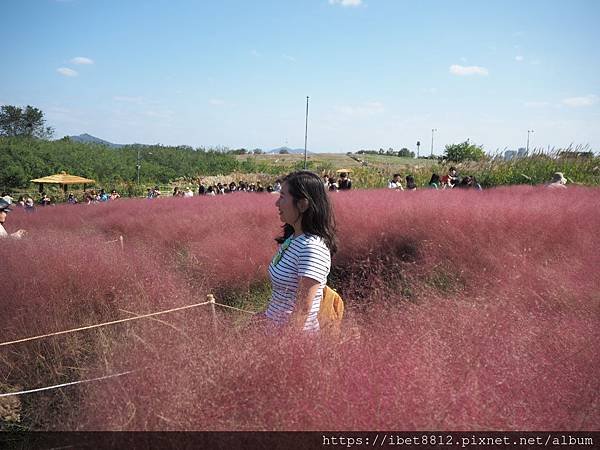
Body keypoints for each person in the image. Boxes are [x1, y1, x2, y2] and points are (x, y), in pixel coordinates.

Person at [265, 171, 337, 332]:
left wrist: (283, 346)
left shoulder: (312, 248)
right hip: (273, 333)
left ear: (303, 204)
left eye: (283, 196)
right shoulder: (293, 239)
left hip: (293, 342)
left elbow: (303, 310)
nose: (277, 203)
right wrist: (265, 315)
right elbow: (283, 297)